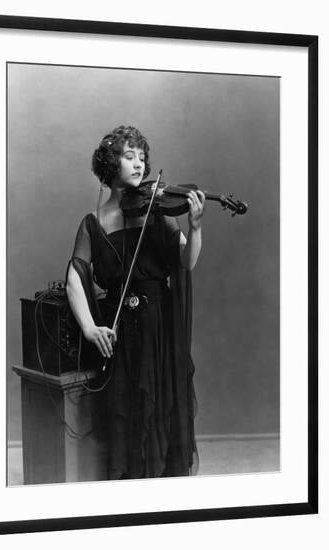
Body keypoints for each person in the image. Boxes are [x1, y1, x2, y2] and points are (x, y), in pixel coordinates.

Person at [66, 125, 205, 480]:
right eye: (129, 157)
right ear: (111, 165)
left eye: (142, 157)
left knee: (159, 406)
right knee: (126, 409)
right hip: (121, 330)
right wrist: (88, 326)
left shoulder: (159, 213)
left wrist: (196, 227)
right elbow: (75, 278)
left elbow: (186, 262)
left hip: (159, 326)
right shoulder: (93, 224)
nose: (139, 164)